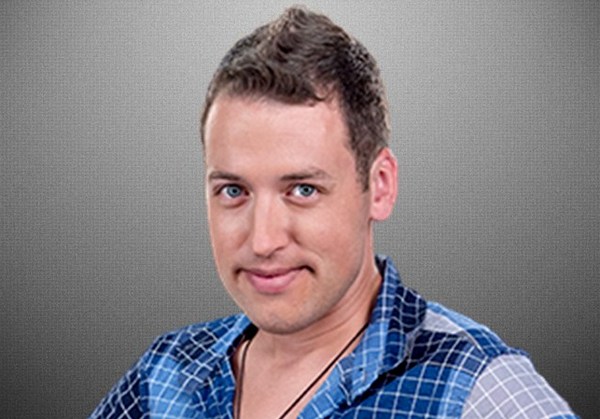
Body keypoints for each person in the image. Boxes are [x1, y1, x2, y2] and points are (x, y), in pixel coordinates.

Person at [91, 6, 577, 418]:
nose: (263, 241)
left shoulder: (478, 391)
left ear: (379, 187)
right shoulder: (165, 377)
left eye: (302, 190)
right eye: (234, 191)